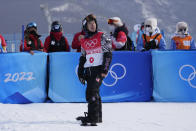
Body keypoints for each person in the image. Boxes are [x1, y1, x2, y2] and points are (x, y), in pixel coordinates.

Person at [76, 14, 112, 126]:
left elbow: (108, 54)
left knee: (92, 91)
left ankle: (93, 117)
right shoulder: (84, 41)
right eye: (90, 24)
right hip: (89, 70)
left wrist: (105, 70)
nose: (93, 25)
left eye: (94, 23)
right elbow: (83, 57)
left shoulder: (102, 36)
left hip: (98, 70)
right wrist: (80, 73)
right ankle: (97, 116)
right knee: (93, 92)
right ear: (85, 27)